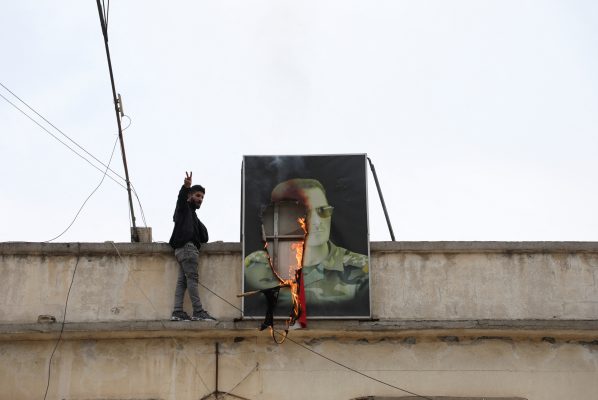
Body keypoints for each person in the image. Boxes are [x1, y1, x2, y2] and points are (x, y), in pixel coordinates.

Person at [244, 178, 369, 316]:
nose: (317, 222)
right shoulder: (256, 267)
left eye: (323, 210)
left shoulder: (361, 270)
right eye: (305, 213)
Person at [169, 171, 215, 321]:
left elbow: (205, 237)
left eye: (202, 197)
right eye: (197, 195)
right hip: (188, 249)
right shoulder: (183, 208)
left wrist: (197, 222)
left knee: (183, 281)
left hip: (183, 250)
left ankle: (177, 311)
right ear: (189, 196)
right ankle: (198, 311)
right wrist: (185, 187)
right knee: (192, 279)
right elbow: (180, 200)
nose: (200, 199)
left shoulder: (192, 216)